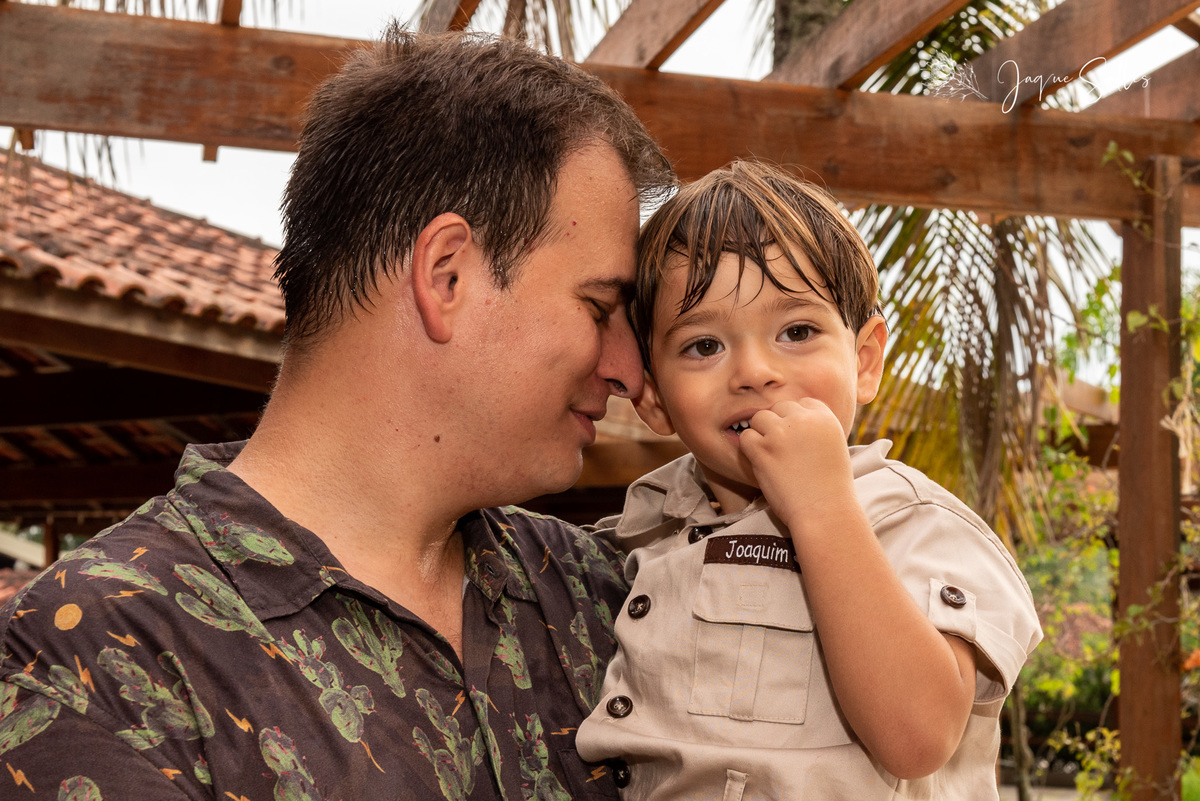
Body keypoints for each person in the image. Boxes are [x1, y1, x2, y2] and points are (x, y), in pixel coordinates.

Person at [0, 27, 675, 800]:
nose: (628, 369)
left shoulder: (600, 593)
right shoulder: (89, 660)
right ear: (446, 275)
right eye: (598, 305)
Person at [574, 160, 1043, 800]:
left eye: (797, 331)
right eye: (703, 346)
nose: (755, 371)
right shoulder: (639, 535)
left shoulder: (911, 523)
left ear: (866, 361)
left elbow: (917, 738)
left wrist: (822, 511)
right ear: (653, 396)